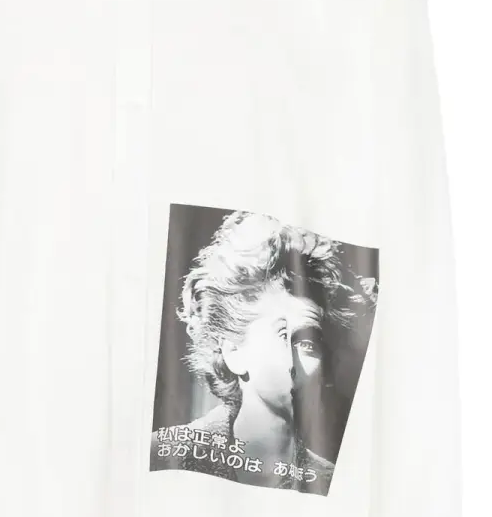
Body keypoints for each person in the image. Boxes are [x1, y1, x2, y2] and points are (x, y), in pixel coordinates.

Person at [150, 209, 377, 495]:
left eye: (307, 345)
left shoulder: (335, 483)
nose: (291, 364)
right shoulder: (163, 454)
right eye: (281, 336)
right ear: (234, 352)